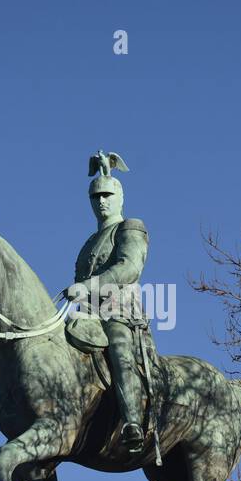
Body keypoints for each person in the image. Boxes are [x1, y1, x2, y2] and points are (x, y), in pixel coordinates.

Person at [66, 151, 151, 453]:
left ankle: (132, 422)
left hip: (121, 314)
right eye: (95, 196)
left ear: (120, 196)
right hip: (87, 315)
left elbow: (129, 268)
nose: (101, 201)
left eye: (107, 194)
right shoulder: (88, 244)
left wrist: (88, 285)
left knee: (118, 344)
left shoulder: (130, 227)